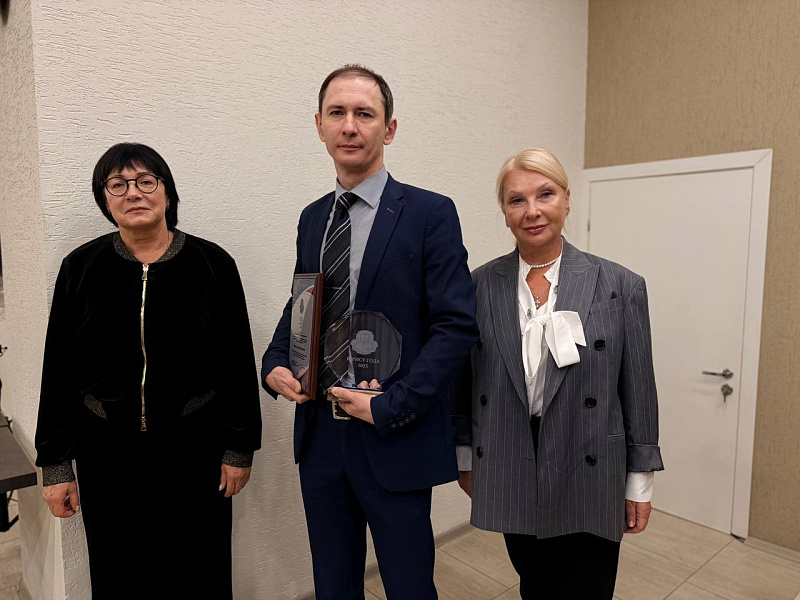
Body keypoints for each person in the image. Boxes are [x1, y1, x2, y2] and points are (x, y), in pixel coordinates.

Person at [261, 64, 478, 600]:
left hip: (393, 431)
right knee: (333, 584)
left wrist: (393, 406)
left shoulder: (430, 212)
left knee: (408, 586)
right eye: (337, 113)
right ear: (319, 126)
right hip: (320, 434)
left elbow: (456, 326)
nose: (350, 126)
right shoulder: (313, 218)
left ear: (390, 128)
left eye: (365, 114)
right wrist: (274, 361)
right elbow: (303, 302)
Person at [35, 143, 262, 599]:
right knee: (120, 575)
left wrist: (240, 447)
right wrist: (56, 464)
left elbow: (237, 360)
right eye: (117, 184)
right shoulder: (80, 268)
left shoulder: (212, 264)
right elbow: (59, 367)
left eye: (145, 181)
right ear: (104, 199)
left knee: (198, 573)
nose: (133, 193)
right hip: (107, 453)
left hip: (194, 450)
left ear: (166, 192)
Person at [452, 147, 664, 599]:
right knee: (534, 583)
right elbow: (464, 381)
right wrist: (466, 458)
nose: (532, 211)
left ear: (567, 199)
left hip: (588, 460)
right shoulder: (479, 284)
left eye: (545, 194)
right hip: (511, 456)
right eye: (517, 200)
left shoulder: (620, 284)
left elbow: (639, 391)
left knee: (587, 587)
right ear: (504, 212)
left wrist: (640, 483)